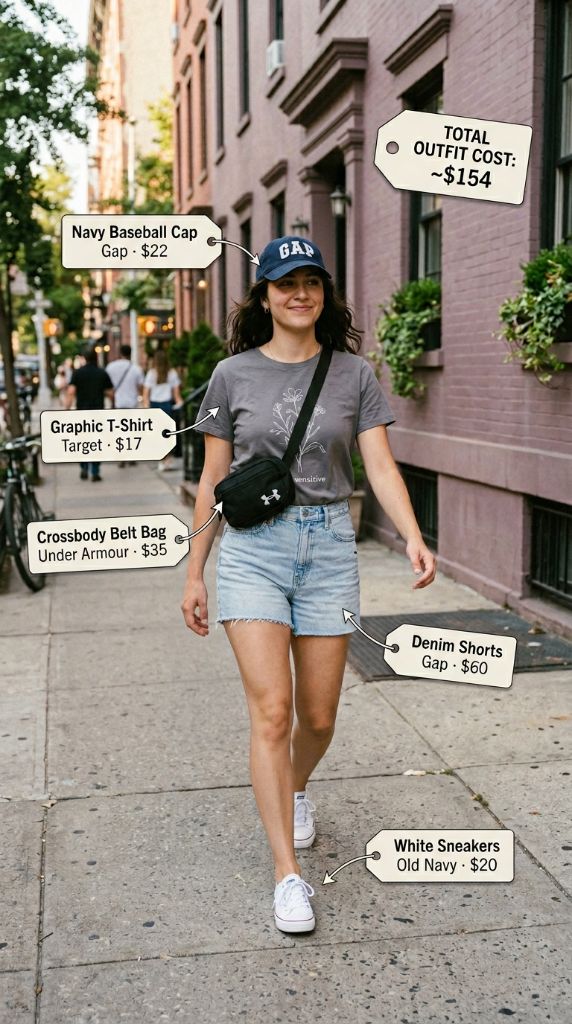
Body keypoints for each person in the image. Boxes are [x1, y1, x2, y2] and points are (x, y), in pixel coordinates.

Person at [181, 236, 436, 935]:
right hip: (253, 552)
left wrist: (413, 535)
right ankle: (287, 874)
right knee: (273, 712)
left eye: (312, 283)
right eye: (285, 283)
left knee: (318, 719)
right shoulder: (231, 374)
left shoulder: (354, 373)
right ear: (264, 297)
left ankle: (293, 787)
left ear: (325, 294)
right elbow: (211, 479)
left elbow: (379, 465)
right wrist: (195, 571)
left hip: (328, 548)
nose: (300, 294)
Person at [65, 346, 113, 481]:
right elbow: (110, 393)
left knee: (83, 441)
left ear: (84, 358)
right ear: (96, 357)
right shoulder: (102, 373)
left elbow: (71, 392)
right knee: (97, 441)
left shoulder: (78, 373)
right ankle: (95, 471)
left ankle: (84, 467)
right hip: (98, 412)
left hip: (82, 412)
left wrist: (66, 409)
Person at [142, 348, 182, 471]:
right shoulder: (172, 373)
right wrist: (179, 402)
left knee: (157, 434)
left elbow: (146, 393)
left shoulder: (151, 373)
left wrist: (146, 405)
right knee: (168, 433)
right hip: (167, 405)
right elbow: (176, 393)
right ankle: (168, 459)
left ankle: (162, 459)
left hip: (155, 405)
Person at [106, 344, 144, 468]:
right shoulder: (136, 369)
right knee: (132, 431)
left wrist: (112, 398)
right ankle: (131, 456)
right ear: (130, 353)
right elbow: (141, 388)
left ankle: (121, 457)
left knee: (119, 431)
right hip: (132, 404)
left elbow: (107, 387)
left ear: (120, 353)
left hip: (117, 404)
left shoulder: (111, 367)